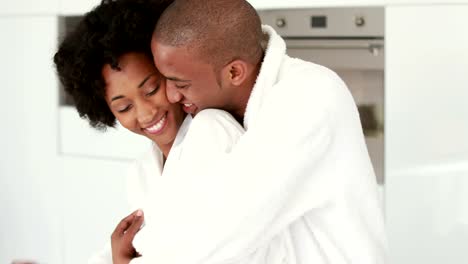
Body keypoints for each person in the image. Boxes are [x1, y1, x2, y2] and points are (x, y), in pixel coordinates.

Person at [117, 0, 388, 263]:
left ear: (234, 72)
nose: (172, 95)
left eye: (181, 84)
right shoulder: (213, 118)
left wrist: (135, 254)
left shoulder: (308, 96)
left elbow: (219, 233)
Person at [53, 1, 245, 264]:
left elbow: (221, 250)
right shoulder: (141, 172)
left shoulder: (212, 131)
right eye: (124, 106)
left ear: (171, 71)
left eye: (152, 89)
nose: (145, 114)